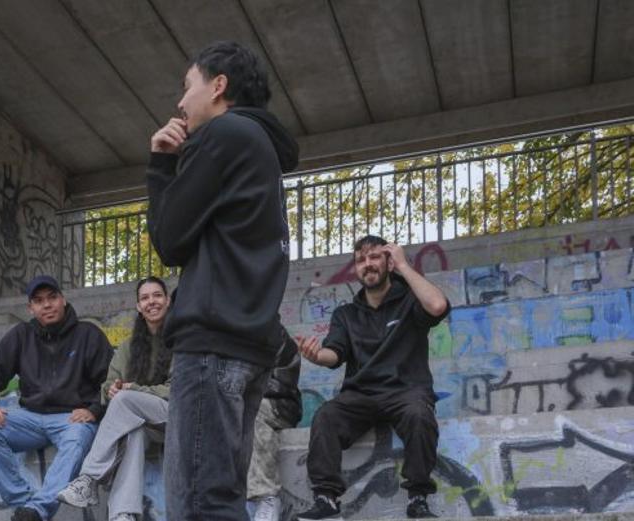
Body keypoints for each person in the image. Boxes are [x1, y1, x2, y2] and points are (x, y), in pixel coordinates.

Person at [145, 40, 299, 520]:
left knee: (198, 505)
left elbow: (169, 240)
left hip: (212, 345)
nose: (180, 102)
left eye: (187, 86)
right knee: (221, 499)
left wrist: (161, 164)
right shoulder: (260, 147)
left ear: (218, 86)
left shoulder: (224, 133)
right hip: (248, 346)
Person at [294, 235, 450, 520]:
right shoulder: (346, 314)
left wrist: (403, 265)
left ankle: (417, 498)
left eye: (375, 257)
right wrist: (317, 356)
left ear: (388, 261)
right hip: (361, 395)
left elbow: (438, 306)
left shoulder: (409, 301)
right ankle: (326, 499)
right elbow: (334, 354)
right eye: (361, 260)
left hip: (406, 391)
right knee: (326, 416)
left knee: (419, 416)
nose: (368, 264)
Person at [0, 275, 114, 521]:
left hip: (71, 417)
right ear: (31, 308)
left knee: (78, 437)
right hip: (29, 417)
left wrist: (94, 409)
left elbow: (110, 380)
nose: (47, 305)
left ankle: (38, 509)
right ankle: (24, 505)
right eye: (39, 301)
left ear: (63, 300)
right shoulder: (21, 335)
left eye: (52, 298)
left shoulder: (88, 334)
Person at [58, 277, 174, 521]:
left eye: (157, 295)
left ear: (168, 300)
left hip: (177, 416)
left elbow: (178, 390)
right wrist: (111, 390)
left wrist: (134, 391)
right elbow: (109, 384)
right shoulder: (129, 347)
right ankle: (123, 514)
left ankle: (89, 478)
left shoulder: (182, 339)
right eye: (145, 298)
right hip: (147, 423)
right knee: (134, 432)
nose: (151, 301)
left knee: (124, 400)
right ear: (138, 307)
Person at [247, 325, 303, 521]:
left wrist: (240, 390)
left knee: (252, 412)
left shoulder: (274, 332)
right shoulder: (217, 337)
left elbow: (282, 385)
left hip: (278, 405)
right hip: (237, 408)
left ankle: (266, 498)